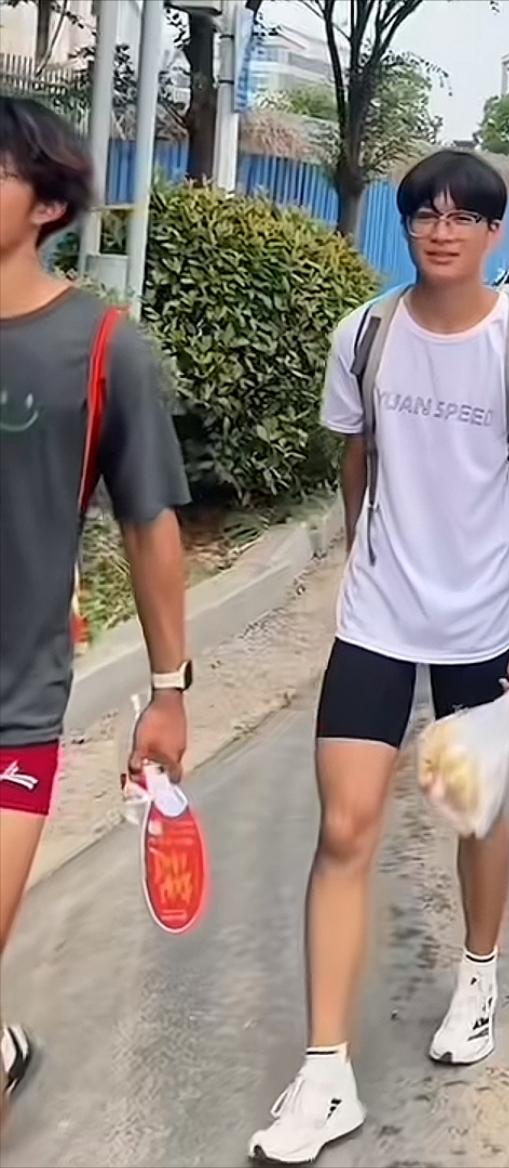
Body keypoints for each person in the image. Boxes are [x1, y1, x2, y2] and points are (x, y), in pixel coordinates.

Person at [250, 149, 509, 1164]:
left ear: (494, 233)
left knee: (466, 810)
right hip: (379, 617)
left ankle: (479, 975)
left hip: (481, 622)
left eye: (462, 216)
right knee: (344, 826)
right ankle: (325, 1072)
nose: (442, 230)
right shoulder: (366, 333)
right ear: (406, 228)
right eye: (425, 214)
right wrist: (364, 556)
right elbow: (356, 457)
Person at [0, 97, 191, 1118]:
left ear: (47, 204)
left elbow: (150, 525)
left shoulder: (105, 344)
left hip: (11, 706)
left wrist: (168, 690)